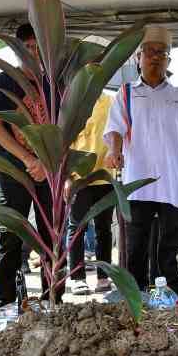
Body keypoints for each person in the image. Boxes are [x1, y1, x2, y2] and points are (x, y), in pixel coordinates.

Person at [104, 25, 178, 294]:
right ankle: (135, 295)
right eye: (149, 52)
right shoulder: (126, 93)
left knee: (171, 243)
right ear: (138, 58)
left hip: (173, 182)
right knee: (136, 243)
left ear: (169, 60)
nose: (155, 57)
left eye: (162, 52)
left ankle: (173, 295)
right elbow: (115, 129)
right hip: (137, 182)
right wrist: (115, 151)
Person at [0, 23, 58, 306]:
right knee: (11, 233)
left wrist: (46, 163)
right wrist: (28, 159)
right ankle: (6, 300)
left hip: (50, 171)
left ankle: (54, 297)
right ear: (16, 49)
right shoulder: (2, 81)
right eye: (26, 47)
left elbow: (64, 126)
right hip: (13, 168)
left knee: (51, 234)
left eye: (37, 47)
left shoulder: (54, 84)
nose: (32, 52)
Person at [66, 89, 115, 295]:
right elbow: (65, 143)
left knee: (104, 228)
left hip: (105, 176)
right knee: (77, 228)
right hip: (80, 178)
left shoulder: (112, 101)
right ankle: (77, 277)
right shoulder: (73, 103)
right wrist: (67, 178)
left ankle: (104, 276)